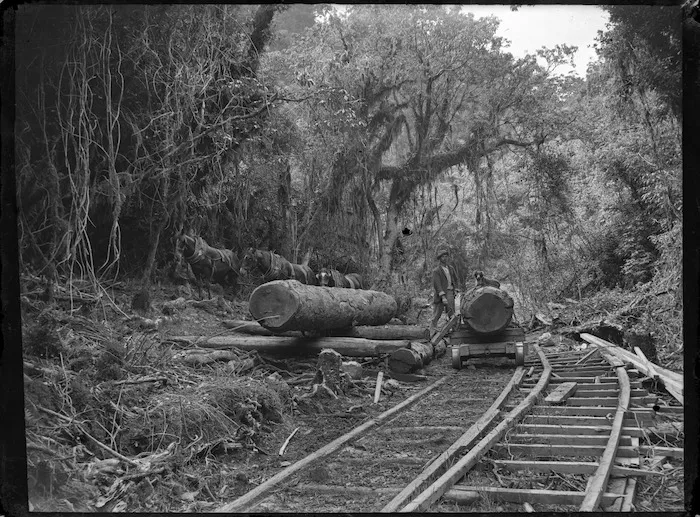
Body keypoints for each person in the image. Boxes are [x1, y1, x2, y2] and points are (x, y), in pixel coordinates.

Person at [430, 248, 459, 337]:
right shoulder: (436, 271)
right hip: (441, 294)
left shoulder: (450, 268)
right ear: (440, 258)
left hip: (450, 292)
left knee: (451, 312)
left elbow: (455, 279)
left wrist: (456, 288)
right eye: (443, 257)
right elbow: (437, 284)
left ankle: (454, 331)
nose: (445, 258)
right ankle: (431, 332)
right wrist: (443, 296)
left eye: (446, 256)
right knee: (437, 313)